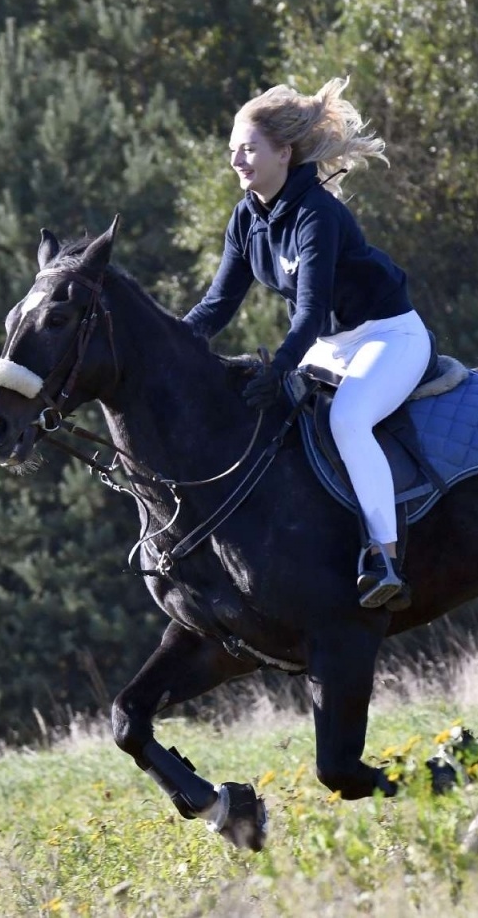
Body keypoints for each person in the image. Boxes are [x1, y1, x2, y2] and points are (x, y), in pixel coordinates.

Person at [182, 77, 427, 610]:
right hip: (330, 346)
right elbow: (217, 307)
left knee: (347, 420)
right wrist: (170, 347)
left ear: (284, 153)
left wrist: (282, 369)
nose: (237, 162)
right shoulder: (247, 218)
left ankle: (384, 557)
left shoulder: (317, 212)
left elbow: (311, 312)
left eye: (248, 149)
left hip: (388, 336)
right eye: (232, 151)